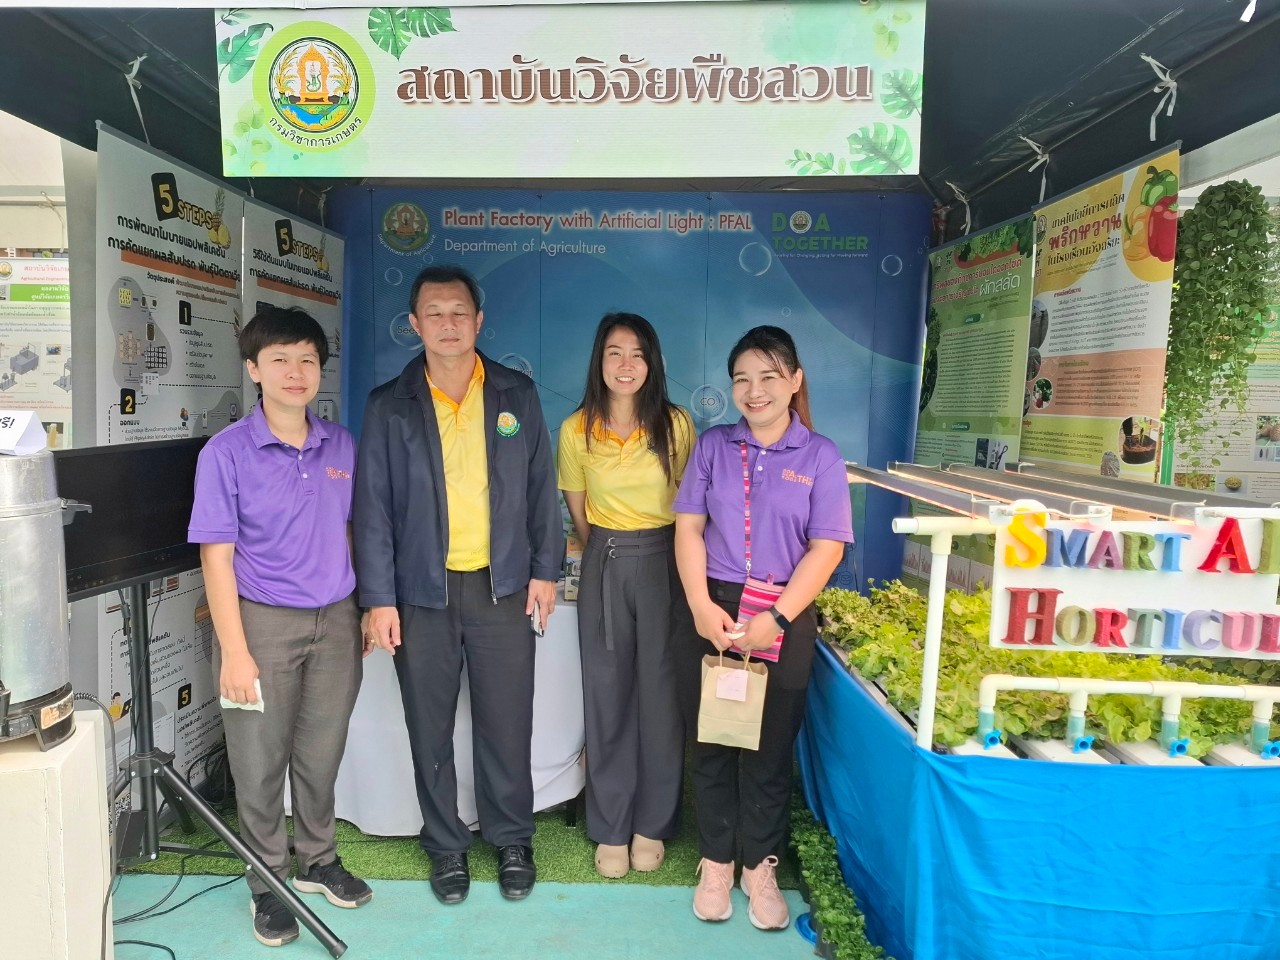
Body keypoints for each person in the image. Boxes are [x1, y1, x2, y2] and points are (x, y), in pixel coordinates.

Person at [355, 265, 562, 904]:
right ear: (414, 324)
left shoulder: (515, 393)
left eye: (459, 313)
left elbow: (540, 488)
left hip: (503, 589)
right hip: (422, 593)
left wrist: (545, 570)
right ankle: (445, 844)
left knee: (507, 720)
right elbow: (372, 509)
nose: (448, 324)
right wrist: (378, 599)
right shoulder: (389, 404)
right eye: (434, 314)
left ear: (479, 321)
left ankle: (512, 837)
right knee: (430, 724)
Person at [188, 306, 371, 949]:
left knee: (321, 753)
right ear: (254, 369)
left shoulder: (341, 444)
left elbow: (354, 530)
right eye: (280, 359)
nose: (296, 372)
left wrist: (363, 607)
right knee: (258, 761)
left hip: (336, 620)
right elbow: (216, 558)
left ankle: (318, 859)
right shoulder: (226, 453)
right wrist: (235, 652)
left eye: (307, 360)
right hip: (260, 624)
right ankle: (266, 880)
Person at [673, 325, 853, 931]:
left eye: (769, 377)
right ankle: (716, 861)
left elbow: (827, 548)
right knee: (713, 744)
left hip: (784, 611)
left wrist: (775, 618)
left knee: (770, 750)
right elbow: (689, 528)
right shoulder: (713, 446)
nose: (755, 391)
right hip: (715, 609)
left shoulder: (821, 455)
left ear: (795, 380)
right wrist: (700, 605)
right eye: (742, 379)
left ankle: (759, 866)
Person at [557, 313, 696, 878]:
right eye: (615, 352)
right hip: (605, 561)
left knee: (660, 697)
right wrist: (611, 552)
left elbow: (690, 509)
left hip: (665, 560)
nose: (626, 364)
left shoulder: (676, 425)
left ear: (652, 362)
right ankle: (611, 824)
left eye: (638, 354)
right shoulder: (576, 430)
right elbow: (579, 513)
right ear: (599, 360)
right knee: (607, 693)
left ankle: (651, 823)